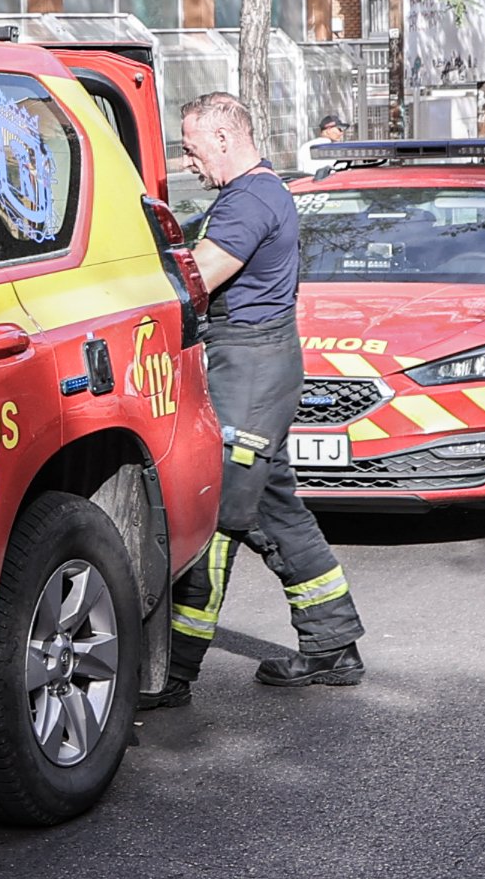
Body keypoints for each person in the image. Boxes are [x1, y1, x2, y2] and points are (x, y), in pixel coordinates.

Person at [150, 92, 364, 703]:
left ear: (223, 138)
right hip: (259, 363)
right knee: (273, 506)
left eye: (191, 148)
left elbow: (197, 281)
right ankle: (332, 644)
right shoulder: (261, 191)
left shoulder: (246, 200)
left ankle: (174, 670)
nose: (188, 161)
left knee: (217, 511)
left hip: (248, 367)